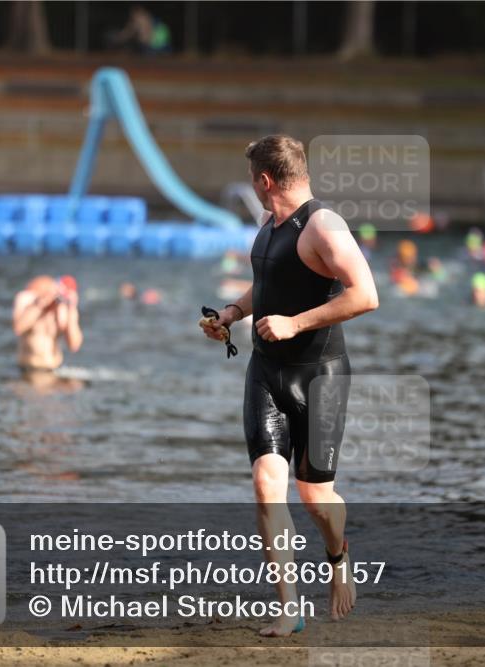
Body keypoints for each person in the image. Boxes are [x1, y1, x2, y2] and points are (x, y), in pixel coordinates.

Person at [199, 135, 378, 637]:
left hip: (319, 375)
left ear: (265, 180)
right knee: (265, 484)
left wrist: (296, 324)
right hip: (266, 371)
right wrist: (233, 313)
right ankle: (289, 608)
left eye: (254, 182)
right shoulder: (269, 223)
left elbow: (366, 295)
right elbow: (269, 284)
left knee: (316, 498)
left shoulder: (324, 226)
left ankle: (338, 556)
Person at [12, 275, 82, 374]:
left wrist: (71, 309)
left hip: (52, 369)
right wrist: (40, 304)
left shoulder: (64, 309)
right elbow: (18, 328)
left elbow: (74, 346)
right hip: (27, 369)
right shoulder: (27, 301)